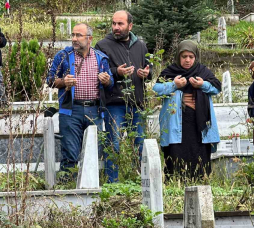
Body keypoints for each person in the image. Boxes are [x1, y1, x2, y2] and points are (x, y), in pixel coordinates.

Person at [47, 23, 113, 177]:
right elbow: (50, 80)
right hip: (71, 110)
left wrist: (106, 80)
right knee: (70, 152)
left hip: (94, 110)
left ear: (89, 39)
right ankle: (67, 187)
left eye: (78, 35)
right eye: (73, 35)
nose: (74, 39)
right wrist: (63, 82)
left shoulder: (101, 58)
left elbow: (111, 84)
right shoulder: (63, 56)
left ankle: (90, 187)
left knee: (93, 151)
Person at [95, 10, 151, 183]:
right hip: (115, 103)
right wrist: (116, 72)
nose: (116, 27)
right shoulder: (102, 45)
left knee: (140, 145)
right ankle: (113, 183)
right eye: (114, 24)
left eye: (120, 24)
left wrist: (146, 74)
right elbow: (98, 72)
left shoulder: (140, 45)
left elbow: (149, 69)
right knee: (114, 144)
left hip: (137, 103)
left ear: (130, 26)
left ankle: (141, 182)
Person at [153, 40, 221, 180]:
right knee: (176, 151)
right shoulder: (170, 72)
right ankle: (176, 181)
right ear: (178, 57)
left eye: (191, 56)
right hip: (176, 123)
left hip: (199, 123)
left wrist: (203, 84)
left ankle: (200, 181)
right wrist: (174, 85)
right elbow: (157, 90)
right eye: (184, 56)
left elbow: (216, 88)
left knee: (199, 152)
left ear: (195, 57)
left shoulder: (202, 71)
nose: (187, 60)